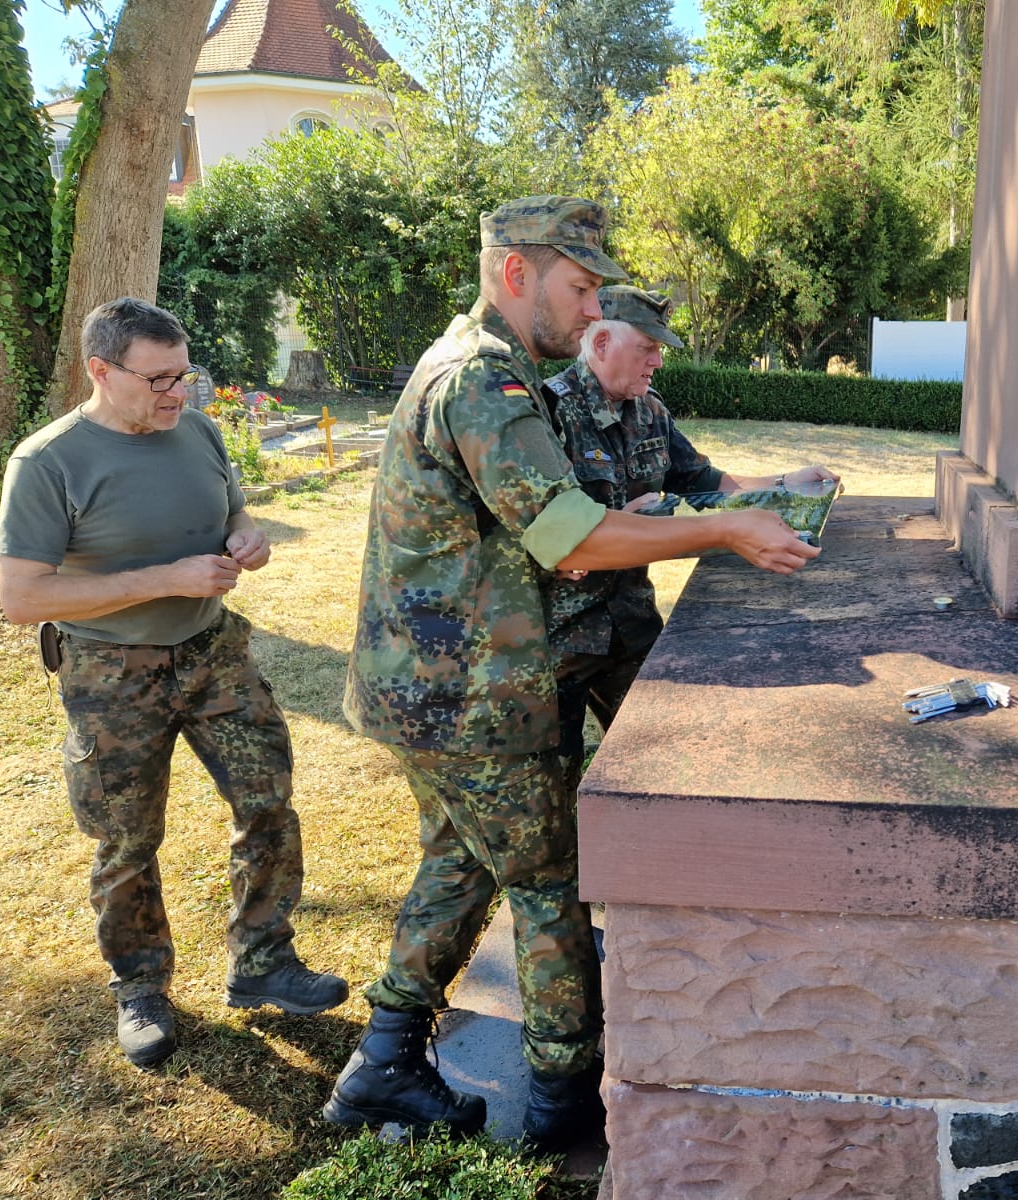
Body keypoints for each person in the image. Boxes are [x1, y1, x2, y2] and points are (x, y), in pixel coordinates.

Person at [329, 196, 819, 1149]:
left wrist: (723, 505)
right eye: (582, 286)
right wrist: (721, 529)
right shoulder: (483, 381)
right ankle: (562, 1102)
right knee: (551, 880)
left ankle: (383, 1065)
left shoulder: (487, 368)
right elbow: (570, 539)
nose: (596, 311)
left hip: (435, 688)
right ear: (518, 273)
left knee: (463, 861)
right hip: (466, 695)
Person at [0, 297, 348, 1070]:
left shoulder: (198, 430)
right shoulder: (47, 462)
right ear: (99, 371)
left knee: (268, 804)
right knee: (126, 838)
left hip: (213, 651)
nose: (176, 394)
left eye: (183, 375)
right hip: (111, 673)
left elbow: (231, 510)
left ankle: (262, 961)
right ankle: (141, 984)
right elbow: (23, 597)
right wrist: (166, 577)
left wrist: (243, 538)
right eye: (157, 379)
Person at [545, 284, 839, 768]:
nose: (657, 361)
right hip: (560, 639)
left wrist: (786, 481)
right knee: (555, 780)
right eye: (647, 348)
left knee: (661, 760)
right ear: (601, 344)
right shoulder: (551, 412)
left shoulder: (650, 411)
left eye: (659, 349)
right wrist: (615, 527)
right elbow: (535, 526)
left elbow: (704, 481)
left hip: (631, 624)